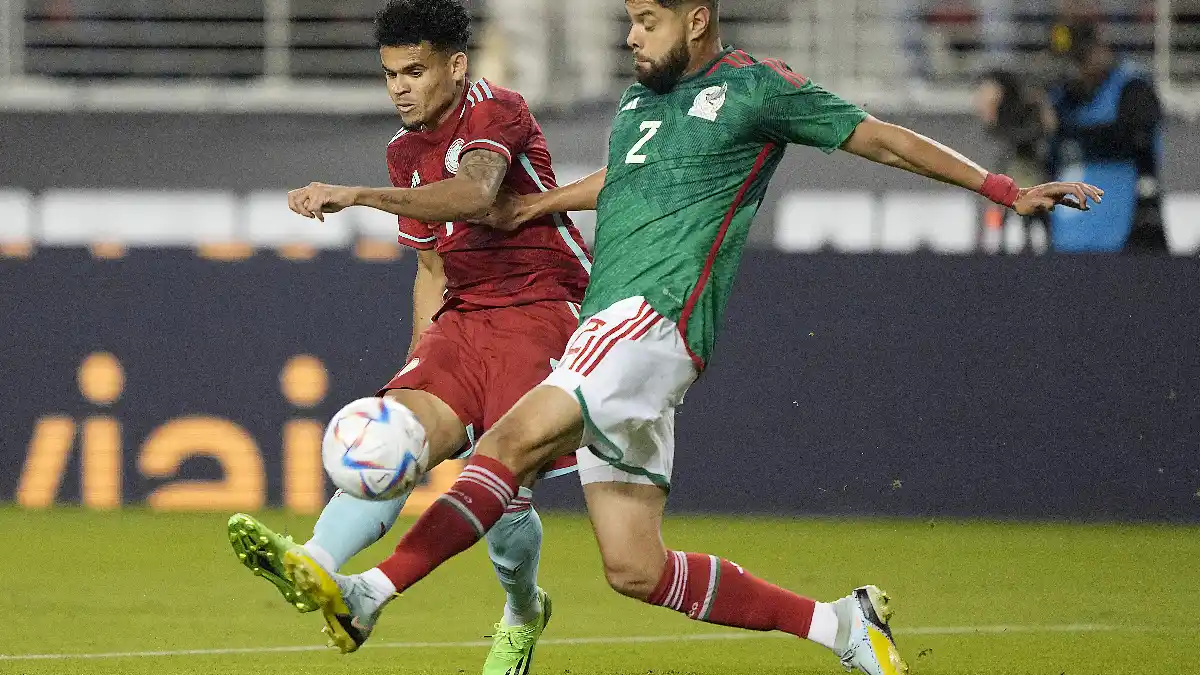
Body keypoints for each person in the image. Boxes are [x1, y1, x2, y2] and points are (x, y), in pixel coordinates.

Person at [282, 2, 1101, 674]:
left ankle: (371, 593)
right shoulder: (642, 103)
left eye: (645, 21)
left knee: (507, 442)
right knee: (635, 567)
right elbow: (637, 177)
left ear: (697, 20)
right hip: (620, 333)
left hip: (649, 316)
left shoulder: (756, 88)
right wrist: (540, 206)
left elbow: (880, 135)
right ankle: (840, 625)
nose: (630, 36)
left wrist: (1002, 187)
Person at [225, 2, 592, 673]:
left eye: (414, 71)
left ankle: (521, 610)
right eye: (390, 73)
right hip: (464, 315)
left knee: (501, 487)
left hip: (543, 308)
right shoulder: (402, 150)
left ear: (455, 67)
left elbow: (478, 194)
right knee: (394, 435)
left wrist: (358, 196)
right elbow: (432, 265)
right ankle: (317, 561)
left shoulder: (494, 108)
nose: (399, 86)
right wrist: (421, 360)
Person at [1046, 18, 1166, 253]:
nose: (1074, 70)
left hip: (1125, 220)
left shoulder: (1132, 90)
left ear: (1099, 49)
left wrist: (1068, 132)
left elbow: (1130, 141)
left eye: (1079, 59)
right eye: (1067, 62)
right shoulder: (1063, 97)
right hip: (1072, 230)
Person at [974, 69, 1054, 253]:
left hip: (1025, 187)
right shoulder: (992, 129)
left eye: (985, 91)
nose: (979, 98)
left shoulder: (1024, 118)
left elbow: (1040, 133)